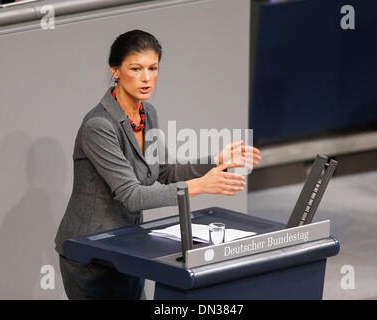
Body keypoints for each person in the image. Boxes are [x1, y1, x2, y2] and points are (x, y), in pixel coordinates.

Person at [54, 30, 261, 300]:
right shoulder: (99, 126)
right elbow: (132, 195)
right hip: (90, 253)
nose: (146, 78)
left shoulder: (146, 113)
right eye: (136, 68)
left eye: (153, 68)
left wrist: (215, 162)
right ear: (115, 70)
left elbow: (163, 171)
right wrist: (199, 186)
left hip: (126, 245)